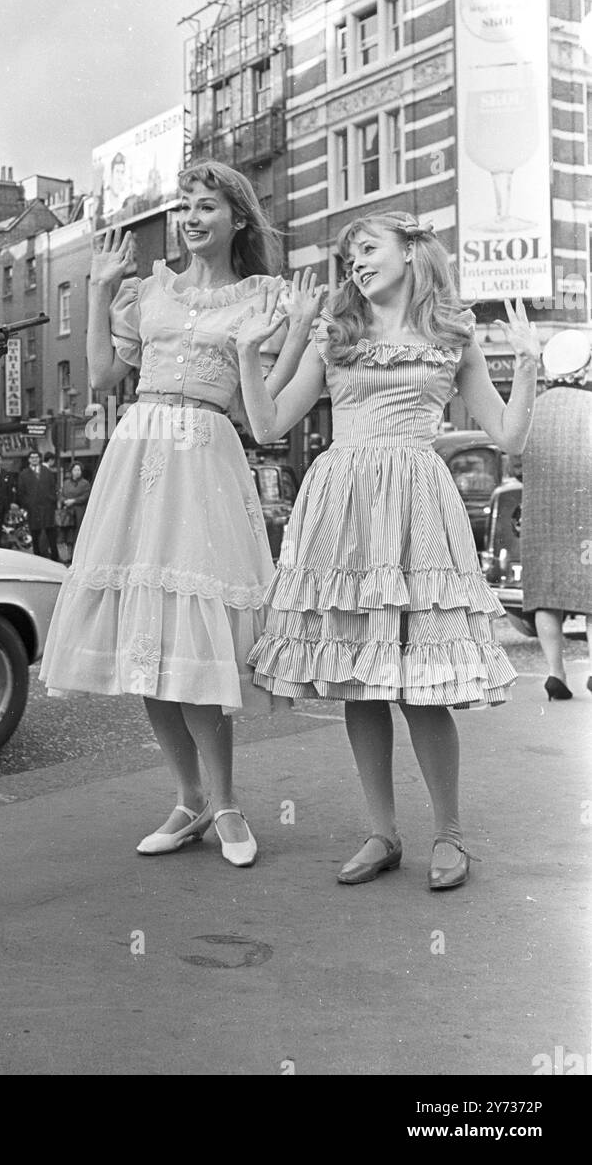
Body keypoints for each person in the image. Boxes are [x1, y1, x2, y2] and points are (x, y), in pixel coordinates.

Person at [237, 211, 540, 891]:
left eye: (367, 250)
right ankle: (382, 833)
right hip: (342, 509)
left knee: (423, 684)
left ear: (411, 250)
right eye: (350, 258)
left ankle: (450, 836)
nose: (356, 265)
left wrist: (526, 365)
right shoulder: (333, 334)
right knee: (361, 683)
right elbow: (266, 424)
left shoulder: (450, 338)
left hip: (417, 507)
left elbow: (509, 437)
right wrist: (248, 353)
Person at [39, 160, 323, 867]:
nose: (192, 219)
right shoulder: (150, 290)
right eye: (185, 208)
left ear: (237, 220)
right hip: (139, 452)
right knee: (150, 635)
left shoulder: (263, 296)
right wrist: (102, 291)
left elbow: (262, 410)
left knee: (197, 639)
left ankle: (224, 802)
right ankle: (188, 797)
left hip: (205, 457)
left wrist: (294, 334)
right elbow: (103, 376)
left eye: (207, 208)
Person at [520, 329, 592, 699]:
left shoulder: (532, 407)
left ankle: (556, 673)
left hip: (541, 518)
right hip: (586, 518)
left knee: (546, 595)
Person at [16, 450, 60, 560]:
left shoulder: (47, 471)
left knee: (51, 533)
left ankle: (55, 557)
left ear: (40, 459)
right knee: (35, 534)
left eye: (36, 457)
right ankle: (37, 558)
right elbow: (21, 493)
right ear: (29, 460)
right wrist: (28, 505)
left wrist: (52, 500)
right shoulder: (23, 474)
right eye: (32, 457)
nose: (34, 459)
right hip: (33, 509)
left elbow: (53, 487)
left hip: (47, 507)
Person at [57, 461, 90, 562]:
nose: (77, 472)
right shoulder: (66, 483)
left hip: (79, 511)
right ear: (71, 471)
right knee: (68, 535)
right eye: (75, 470)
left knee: (79, 534)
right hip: (68, 512)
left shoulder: (85, 483)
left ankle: (79, 556)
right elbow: (61, 494)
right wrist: (64, 501)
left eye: (79, 470)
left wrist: (74, 500)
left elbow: (86, 495)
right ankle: (69, 556)